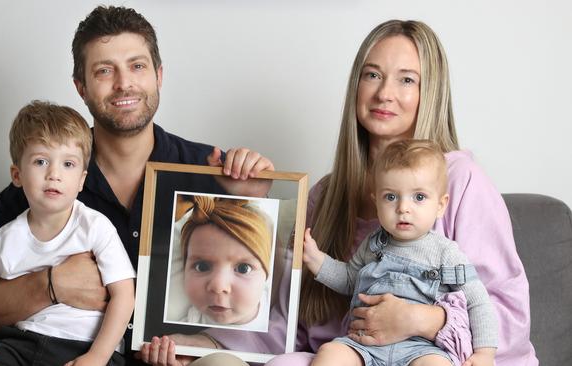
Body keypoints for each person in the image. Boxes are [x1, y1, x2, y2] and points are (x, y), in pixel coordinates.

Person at [145, 19, 536, 366]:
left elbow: (505, 312)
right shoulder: (327, 194)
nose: (384, 93)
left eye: (406, 79)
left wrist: (425, 320)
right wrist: (199, 343)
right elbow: (285, 316)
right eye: (372, 75)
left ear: (429, 92)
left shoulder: (461, 180)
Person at [0, 5, 272, 366]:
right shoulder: (44, 178)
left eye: (137, 66)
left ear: (159, 75)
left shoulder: (209, 170)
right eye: (104, 71)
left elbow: (263, 299)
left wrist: (261, 199)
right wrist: (50, 285)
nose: (124, 83)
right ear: (80, 88)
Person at [0, 101, 135, 365]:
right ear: (17, 175)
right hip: (21, 344)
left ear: (82, 180)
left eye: (68, 164)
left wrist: (97, 356)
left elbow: (124, 294)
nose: (54, 174)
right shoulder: (5, 238)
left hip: (87, 346)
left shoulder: (95, 227)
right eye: (40, 161)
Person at [304, 139, 497, 366]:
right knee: (330, 353)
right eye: (391, 197)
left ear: (440, 205)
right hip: (363, 344)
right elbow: (349, 279)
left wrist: (485, 354)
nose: (403, 208)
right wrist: (318, 261)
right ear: (377, 202)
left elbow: (478, 302)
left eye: (419, 197)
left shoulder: (446, 254)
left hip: (422, 348)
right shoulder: (374, 244)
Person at [175, 195, 272, 330]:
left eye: (243, 268)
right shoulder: (190, 322)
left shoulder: (276, 313)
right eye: (202, 266)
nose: (218, 286)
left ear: (265, 275)